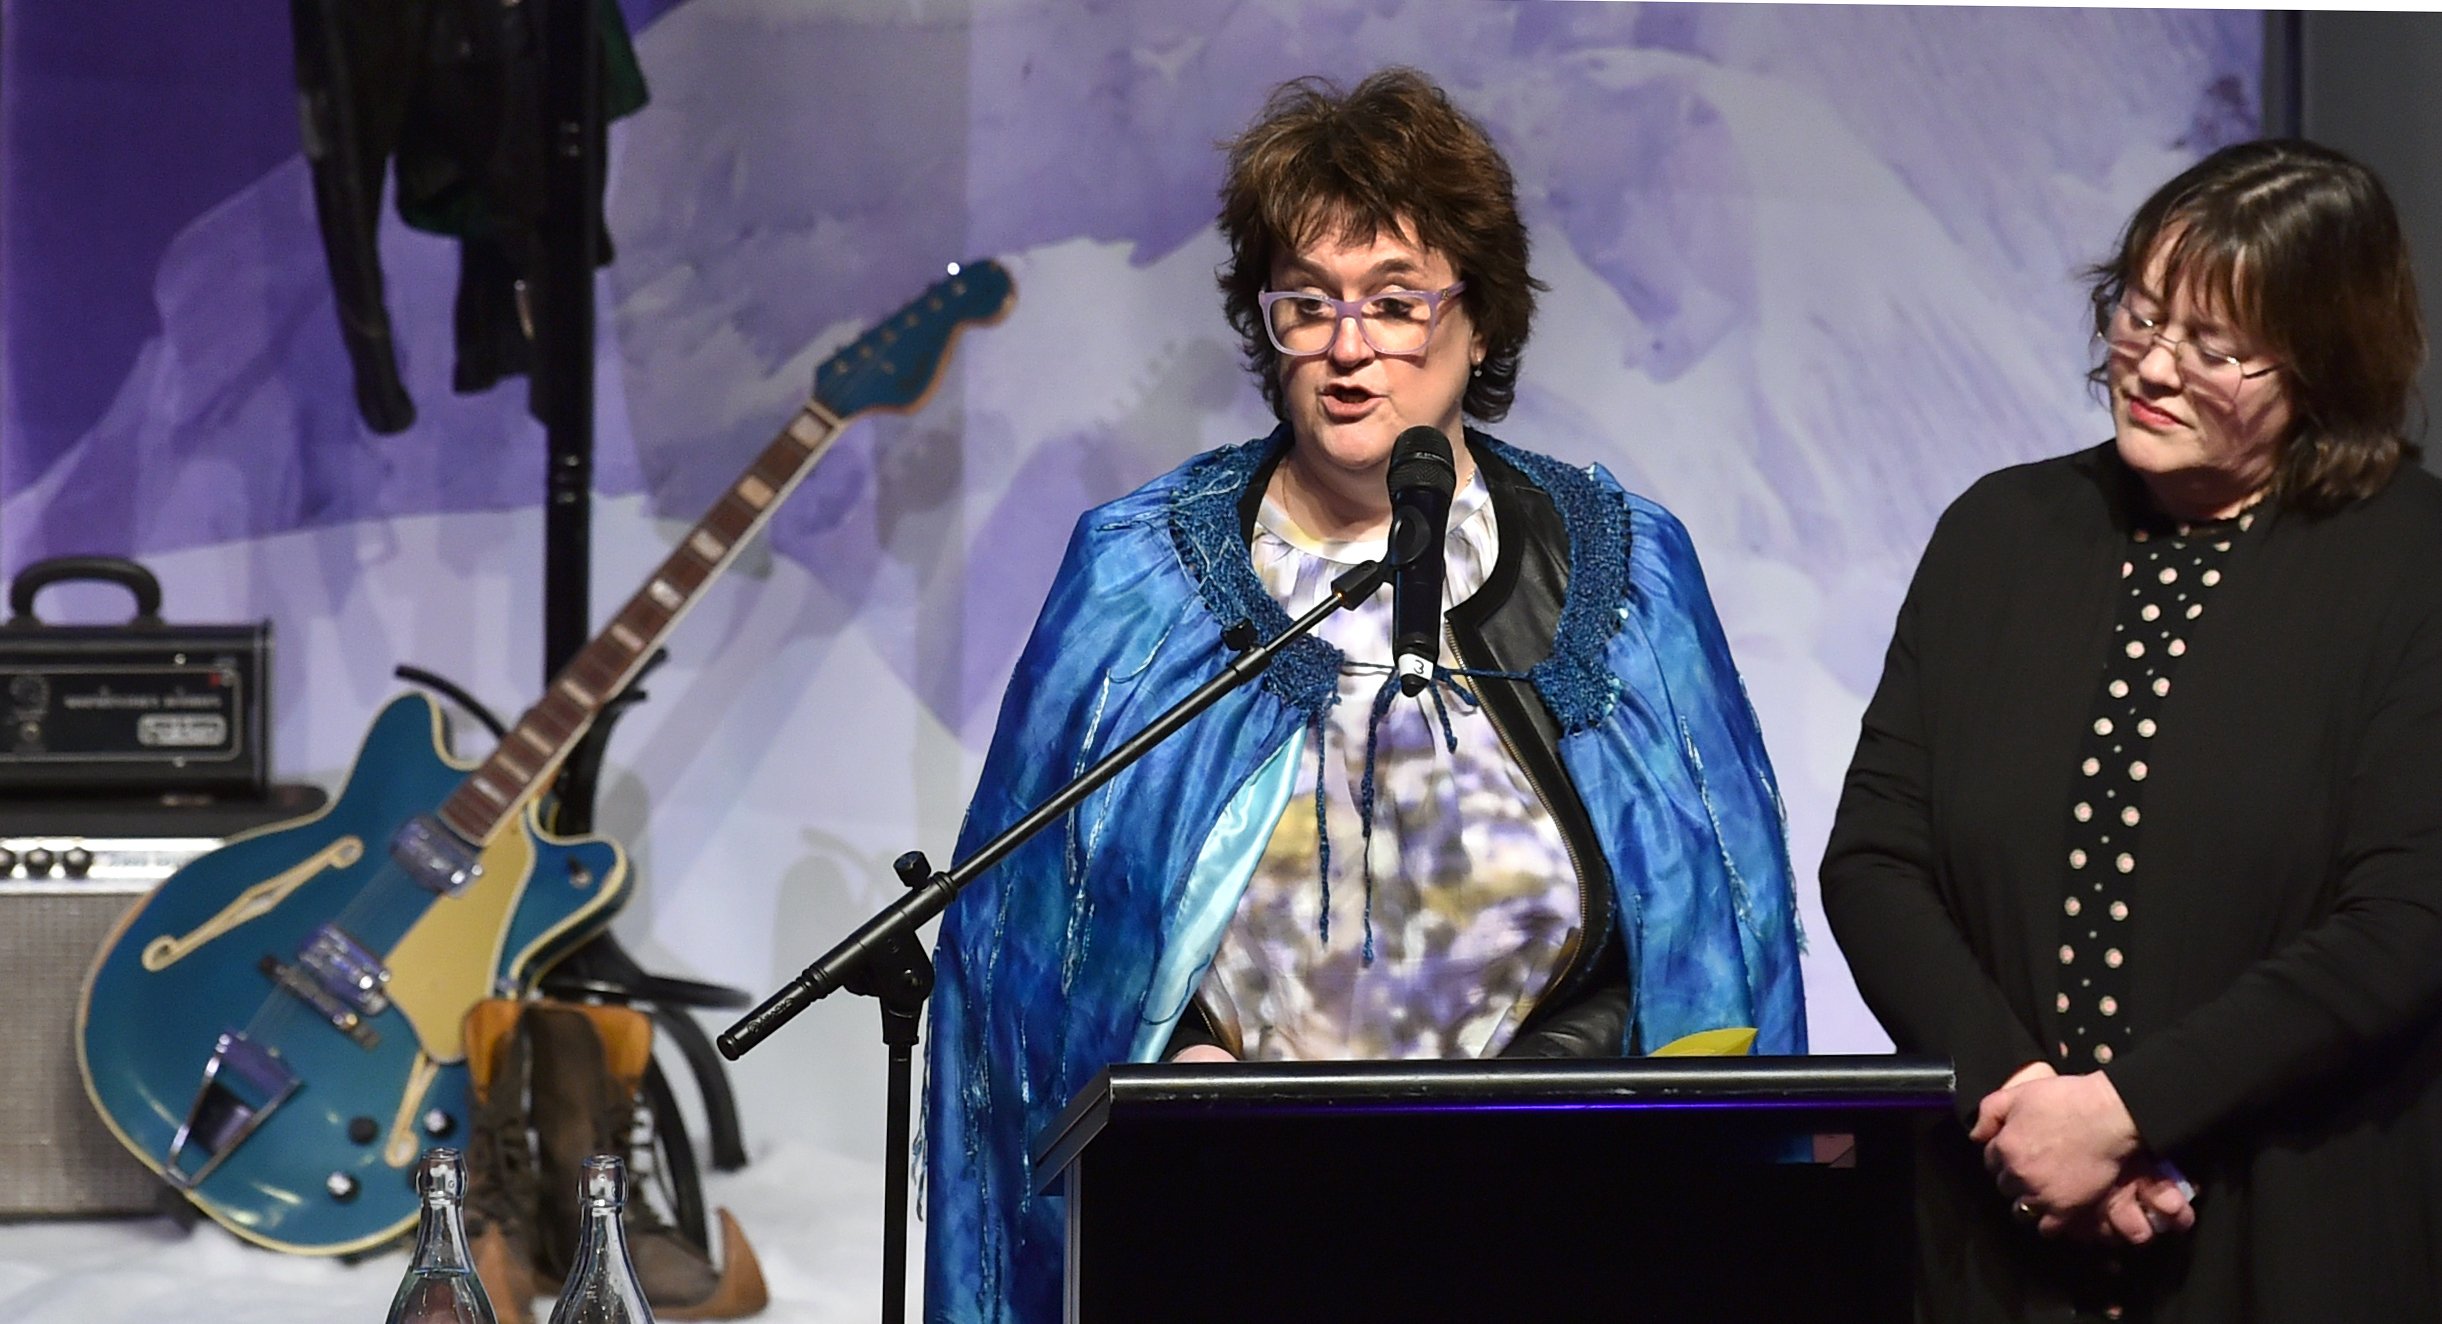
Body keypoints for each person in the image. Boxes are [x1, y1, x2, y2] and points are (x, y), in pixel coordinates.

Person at [923, 67, 1806, 1323]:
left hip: (1556, 1210)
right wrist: (1167, 1057)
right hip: (1230, 1217)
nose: (1348, 349)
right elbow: (1030, 957)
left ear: (1481, 321)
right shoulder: (1140, 570)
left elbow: (1716, 924)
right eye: (1307, 304)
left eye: (1397, 304)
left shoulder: (1621, 560)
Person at [1822, 138, 2442, 1321]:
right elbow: (1876, 859)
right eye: (2139, 315)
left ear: (2325, 361)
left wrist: (2124, 1117)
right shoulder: (2000, 534)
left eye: (2215, 347)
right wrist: (2022, 1110)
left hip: (2297, 1230)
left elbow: (2408, 918)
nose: (2152, 366)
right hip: (1996, 1235)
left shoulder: (2413, 560)